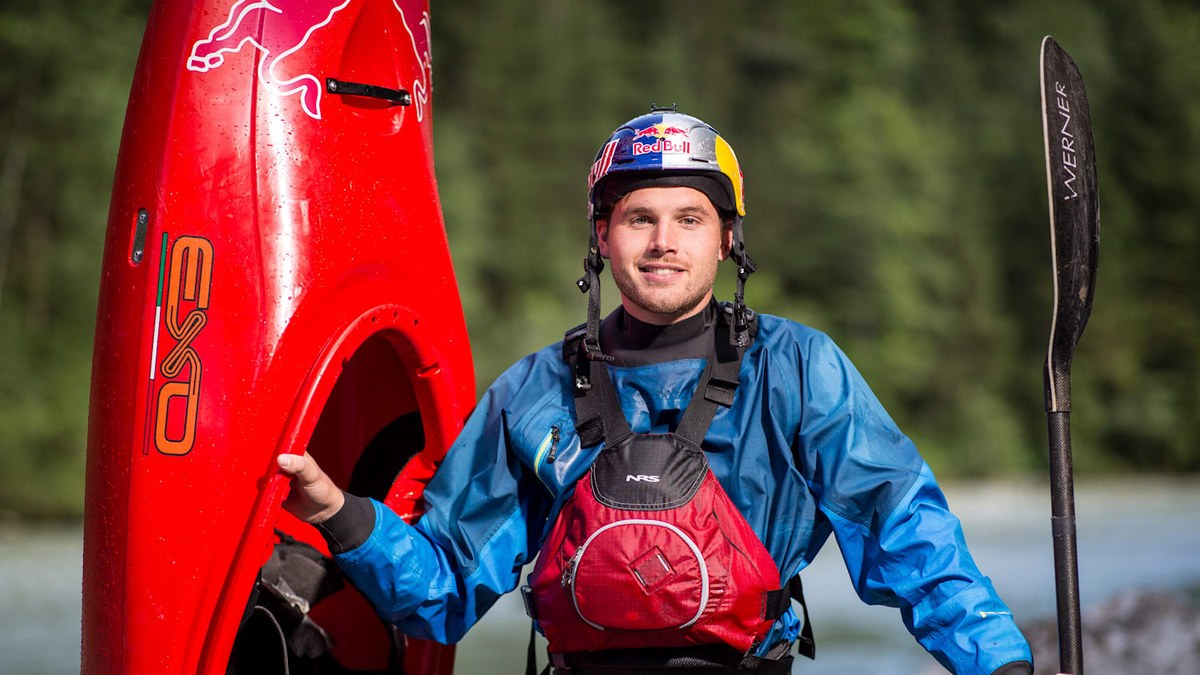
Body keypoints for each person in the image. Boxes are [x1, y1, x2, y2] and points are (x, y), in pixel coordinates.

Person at [278, 106, 1035, 675]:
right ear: (602, 237)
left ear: (726, 237)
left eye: (689, 218)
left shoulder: (800, 369)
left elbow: (908, 534)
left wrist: (1000, 662)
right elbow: (441, 594)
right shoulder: (534, 389)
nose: (663, 241)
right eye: (639, 217)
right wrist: (340, 515)